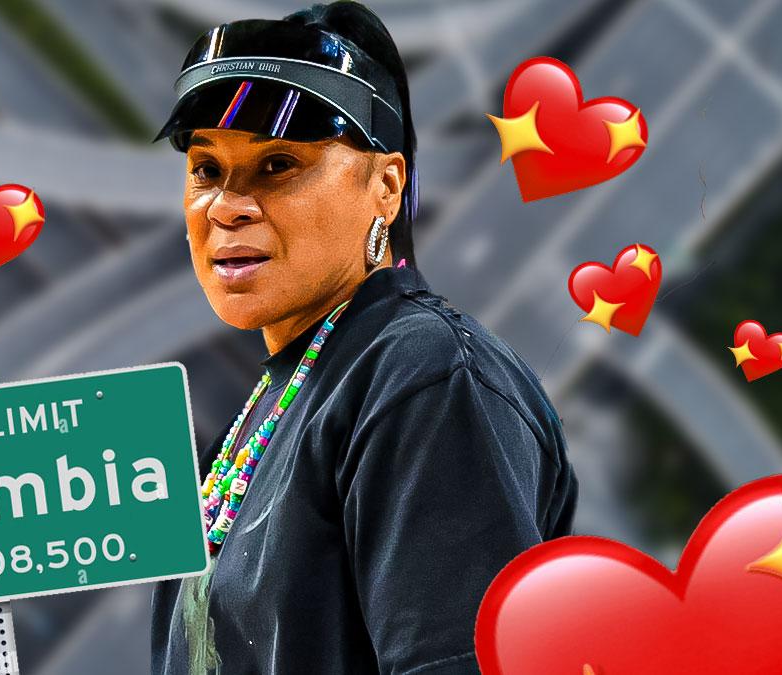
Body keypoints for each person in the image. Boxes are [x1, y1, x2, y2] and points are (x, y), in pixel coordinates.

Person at [148, 2, 578, 673]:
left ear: (386, 186)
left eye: (278, 163)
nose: (226, 204)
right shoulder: (266, 407)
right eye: (206, 168)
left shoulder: (422, 375)